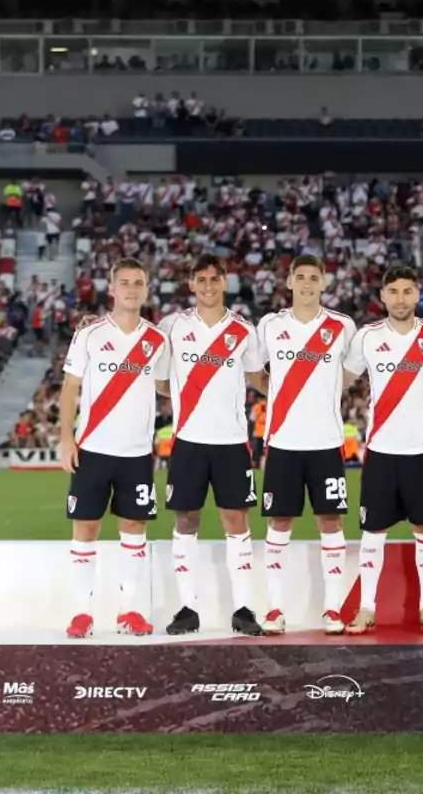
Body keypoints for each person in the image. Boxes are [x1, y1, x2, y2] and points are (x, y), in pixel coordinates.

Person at [155, 255, 268, 637]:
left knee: (236, 522)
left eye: (214, 279)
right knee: (186, 521)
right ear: (191, 284)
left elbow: (258, 379)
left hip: (232, 443)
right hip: (187, 441)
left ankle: (243, 609)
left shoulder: (243, 330)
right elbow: (158, 380)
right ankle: (188, 608)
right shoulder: (172, 326)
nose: (207, 285)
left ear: (225, 282)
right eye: (200, 279)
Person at [58, 258, 169, 639]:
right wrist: (65, 438)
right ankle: (81, 614)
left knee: (134, 529)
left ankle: (131, 611)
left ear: (147, 289)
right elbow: (70, 388)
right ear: (112, 288)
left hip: (137, 453)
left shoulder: (157, 340)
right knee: (85, 527)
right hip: (93, 448)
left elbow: (170, 385)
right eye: (125, 282)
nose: (132, 289)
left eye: (139, 282)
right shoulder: (89, 335)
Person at [253, 254, 358, 635]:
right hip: (283, 442)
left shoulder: (342, 326)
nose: (308, 283)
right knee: (280, 521)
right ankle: (275, 608)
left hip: (327, 443)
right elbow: (253, 368)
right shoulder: (269, 325)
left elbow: (355, 369)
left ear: (324, 283)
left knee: (330, 520)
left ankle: (332, 609)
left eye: (315, 277)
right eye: (301, 277)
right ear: (289, 282)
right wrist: (281, 393)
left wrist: (327, 390)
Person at [342, 265, 423, 635]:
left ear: (417, 294)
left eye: (407, 291)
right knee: (373, 531)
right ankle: (366, 607)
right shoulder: (366, 338)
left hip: (422, 450)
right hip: (381, 450)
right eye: (394, 292)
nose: (401, 299)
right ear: (382, 296)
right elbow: (341, 379)